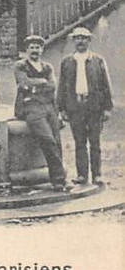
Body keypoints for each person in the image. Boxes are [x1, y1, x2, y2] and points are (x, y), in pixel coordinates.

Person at [57, 26, 113, 186]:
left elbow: (105, 85)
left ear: (89, 40)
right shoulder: (67, 62)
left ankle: (97, 175)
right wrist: (62, 109)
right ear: (73, 41)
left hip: (94, 106)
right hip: (75, 107)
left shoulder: (97, 60)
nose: (80, 41)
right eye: (77, 38)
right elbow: (62, 86)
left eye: (83, 38)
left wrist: (107, 108)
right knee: (79, 141)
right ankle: (82, 175)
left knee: (95, 142)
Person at [14, 35, 69, 192]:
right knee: (47, 139)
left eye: (37, 47)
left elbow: (53, 86)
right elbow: (23, 82)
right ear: (26, 50)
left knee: (57, 142)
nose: (34, 50)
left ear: (42, 49)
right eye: (31, 47)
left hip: (49, 106)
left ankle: (59, 180)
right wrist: (42, 83)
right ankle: (59, 179)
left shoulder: (47, 67)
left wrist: (37, 85)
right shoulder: (20, 65)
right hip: (31, 107)